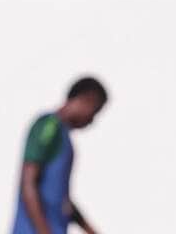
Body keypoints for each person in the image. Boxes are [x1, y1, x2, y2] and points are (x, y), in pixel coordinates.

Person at [12, 77, 107, 234]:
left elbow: (63, 202)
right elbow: (28, 183)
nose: (92, 120)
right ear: (87, 99)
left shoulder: (64, 139)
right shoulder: (49, 126)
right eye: (94, 112)